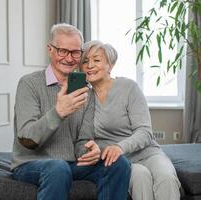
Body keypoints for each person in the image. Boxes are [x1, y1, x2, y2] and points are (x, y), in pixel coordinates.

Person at [11, 23, 131, 200]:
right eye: (62, 51)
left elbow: (82, 140)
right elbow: (27, 139)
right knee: (58, 168)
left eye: (75, 52)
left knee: (119, 163)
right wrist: (59, 112)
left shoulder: (86, 91)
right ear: (50, 49)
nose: (69, 58)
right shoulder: (29, 84)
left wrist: (91, 151)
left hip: (71, 165)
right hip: (31, 164)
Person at [80, 40, 181, 200]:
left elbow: (145, 131)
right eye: (85, 61)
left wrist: (120, 147)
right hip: (119, 162)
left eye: (97, 60)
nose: (90, 65)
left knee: (166, 178)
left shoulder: (128, 87)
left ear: (110, 65)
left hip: (147, 153)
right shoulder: (83, 98)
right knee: (141, 178)